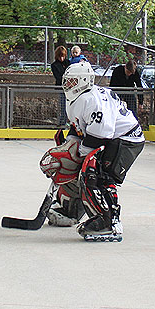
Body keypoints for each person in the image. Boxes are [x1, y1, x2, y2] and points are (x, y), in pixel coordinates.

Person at [61, 61, 144, 242]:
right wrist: (68, 147)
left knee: (99, 176)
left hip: (127, 139)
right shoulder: (77, 99)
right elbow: (78, 128)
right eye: (67, 81)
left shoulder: (92, 99)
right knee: (75, 169)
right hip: (113, 137)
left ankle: (110, 223)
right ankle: (71, 211)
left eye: (72, 81)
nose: (67, 85)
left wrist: (80, 153)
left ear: (83, 80)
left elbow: (101, 133)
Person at [51, 46, 71, 126]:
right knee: (63, 105)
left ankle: (67, 121)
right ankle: (62, 122)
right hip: (62, 87)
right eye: (60, 56)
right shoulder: (54, 65)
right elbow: (58, 77)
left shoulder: (68, 63)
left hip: (70, 87)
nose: (62, 58)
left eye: (63, 56)